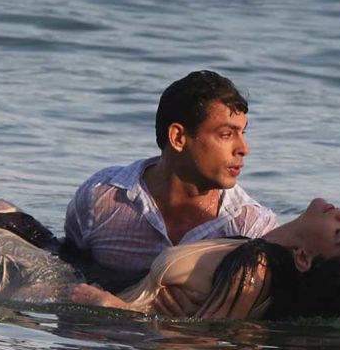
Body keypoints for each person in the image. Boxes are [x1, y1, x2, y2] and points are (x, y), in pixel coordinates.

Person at [0, 197, 340, 323]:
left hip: (80, 303)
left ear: (303, 258)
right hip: (95, 285)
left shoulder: (257, 268)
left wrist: (117, 311)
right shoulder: (254, 245)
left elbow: (214, 347)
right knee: (1, 209)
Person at [63, 70, 279, 289]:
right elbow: (66, 268)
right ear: (178, 137)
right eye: (226, 134)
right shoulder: (101, 198)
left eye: (243, 133)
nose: (244, 148)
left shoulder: (252, 227)